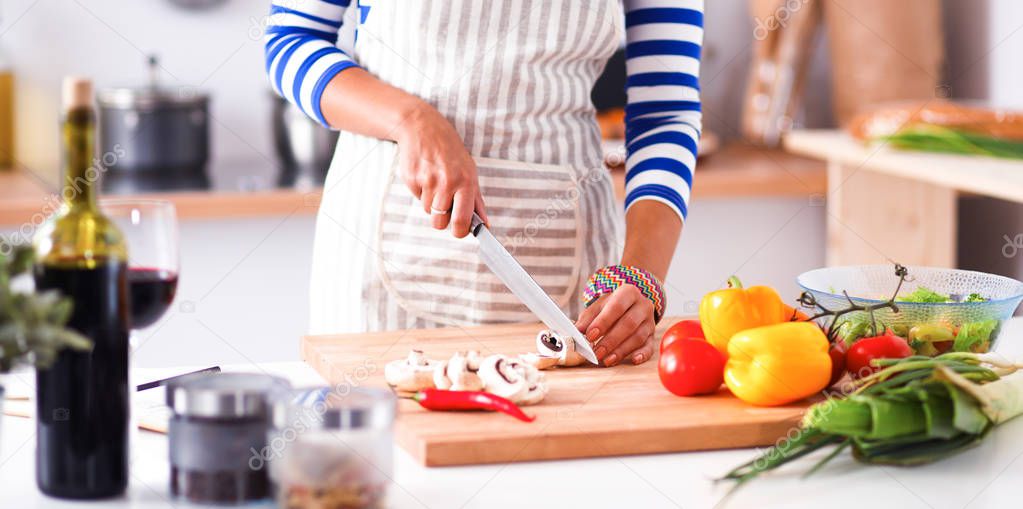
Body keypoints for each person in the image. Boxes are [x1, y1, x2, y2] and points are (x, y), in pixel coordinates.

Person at [265, 0, 703, 366]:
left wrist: (643, 274)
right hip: (376, 263)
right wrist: (409, 120)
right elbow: (291, 40)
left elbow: (665, 110)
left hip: (565, 264)